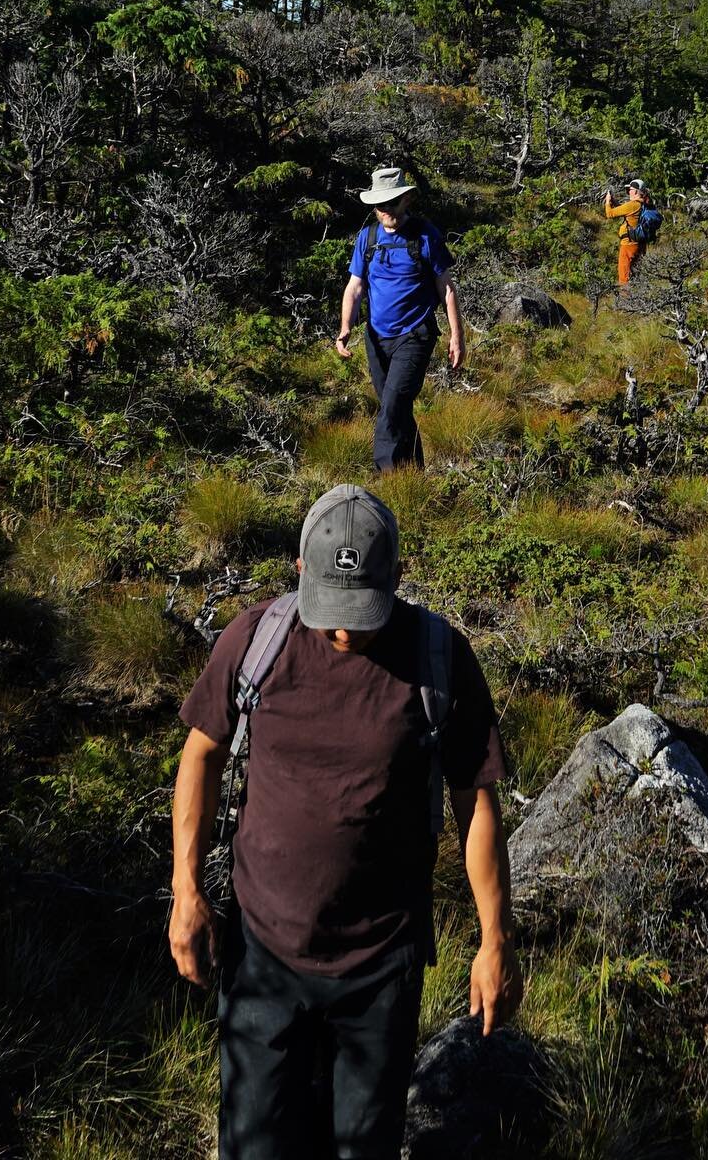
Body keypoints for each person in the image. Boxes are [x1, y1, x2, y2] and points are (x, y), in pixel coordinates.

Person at [169, 483, 521, 1160]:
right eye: (330, 611)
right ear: (301, 572)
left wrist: (495, 939)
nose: (343, 632)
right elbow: (201, 754)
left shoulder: (439, 660)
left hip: (380, 964)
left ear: (396, 579)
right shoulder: (257, 642)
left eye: (362, 614)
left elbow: (475, 800)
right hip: (264, 955)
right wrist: (187, 892)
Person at [334, 165, 465, 473]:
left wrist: (457, 337)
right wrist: (345, 329)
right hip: (377, 338)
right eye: (380, 205)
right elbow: (354, 287)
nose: (386, 211)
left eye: (392, 203)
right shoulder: (367, 238)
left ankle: (386, 482)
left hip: (414, 336)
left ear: (406, 200)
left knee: (391, 409)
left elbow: (446, 288)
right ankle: (412, 475)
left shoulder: (425, 236)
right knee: (396, 409)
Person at [604, 176, 652, 288]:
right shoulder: (645, 204)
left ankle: (625, 302)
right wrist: (615, 202)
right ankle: (638, 299)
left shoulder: (632, 205)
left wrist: (607, 201)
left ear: (635, 191)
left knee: (624, 277)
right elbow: (625, 211)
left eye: (629, 190)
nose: (628, 192)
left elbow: (610, 214)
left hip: (628, 245)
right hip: (641, 244)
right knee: (636, 274)